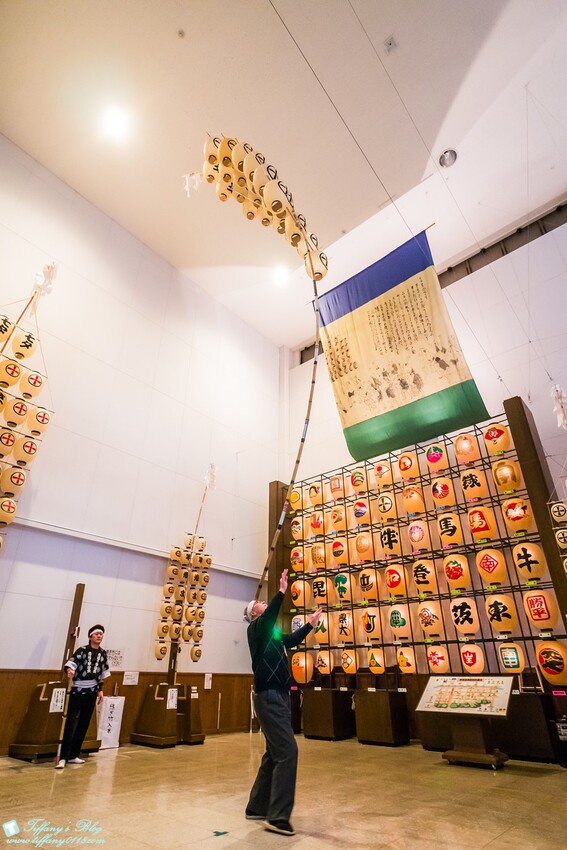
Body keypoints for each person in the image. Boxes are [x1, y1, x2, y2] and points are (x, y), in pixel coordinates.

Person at [243, 568, 322, 836]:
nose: (265, 603)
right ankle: (278, 818)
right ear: (254, 614)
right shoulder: (256, 629)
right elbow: (269, 617)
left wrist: (310, 624)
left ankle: (256, 806)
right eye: (261, 603)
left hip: (278, 695)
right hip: (269, 696)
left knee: (274, 752)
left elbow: (291, 639)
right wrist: (281, 591)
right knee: (288, 751)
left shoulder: (272, 635)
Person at [55, 624, 110, 769]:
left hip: (92, 691)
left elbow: (102, 673)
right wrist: (69, 671)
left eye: (101, 634)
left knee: (84, 723)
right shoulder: (82, 651)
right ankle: (63, 756)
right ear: (90, 636)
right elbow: (71, 664)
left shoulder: (103, 653)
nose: (99, 636)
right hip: (77, 690)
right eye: (96, 634)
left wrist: (100, 690)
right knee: (71, 722)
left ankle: (74, 754)